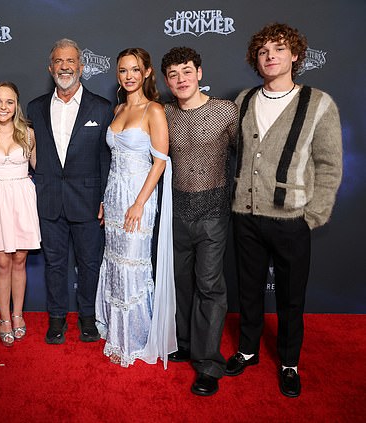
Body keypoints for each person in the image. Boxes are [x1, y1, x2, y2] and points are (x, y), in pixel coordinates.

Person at [226, 23, 342, 398]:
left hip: (292, 218)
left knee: (292, 296)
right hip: (245, 214)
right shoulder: (243, 100)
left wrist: (314, 214)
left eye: (278, 49)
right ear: (255, 61)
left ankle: (289, 361)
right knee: (248, 290)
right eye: (263, 52)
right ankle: (247, 350)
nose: (270, 56)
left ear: (295, 55)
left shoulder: (318, 103)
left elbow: (329, 164)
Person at [161, 47, 238, 395]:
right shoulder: (163, 114)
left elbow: (247, 153)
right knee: (180, 283)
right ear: (166, 80)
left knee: (209, 285)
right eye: (174, 74)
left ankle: (208, 364)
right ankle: (186, 343)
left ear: (200, 73)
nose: (181, 79)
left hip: (213, 212)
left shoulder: (225, 111)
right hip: (176, 213)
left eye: (187, 71)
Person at [27, 38, 112, 344]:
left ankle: (87, 318)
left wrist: (105, 197)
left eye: (71, 61)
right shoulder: (34, 107)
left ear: (81, 66)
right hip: (49, 199)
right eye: (59, 62)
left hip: (88, 200)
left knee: (90, 262)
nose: (65, 67)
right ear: (51, 68)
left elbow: (106, 157)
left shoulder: (102, 108)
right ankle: (56, 318)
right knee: (54, 263)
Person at [94, 47, 175, 367]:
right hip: (114, 198)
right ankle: (117, 332)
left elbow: (160, 161)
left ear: (146, 73)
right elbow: (112, 162)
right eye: (123, 71)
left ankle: (136, 338)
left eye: (134, 70)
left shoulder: (154, 110)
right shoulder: (116, 111)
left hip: (139, 198)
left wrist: (140, 203)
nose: (129, 76)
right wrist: (105, 199)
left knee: (132, 265)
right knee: (114, 263)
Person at [0, 81, 40, 347]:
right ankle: (4, 318)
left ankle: (18, 315)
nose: (3, 107)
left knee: (19, 261)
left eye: (9, 102)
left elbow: (40, 168)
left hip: (22, 200)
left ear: (16, 105)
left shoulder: (28, 134)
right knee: (1, 264)